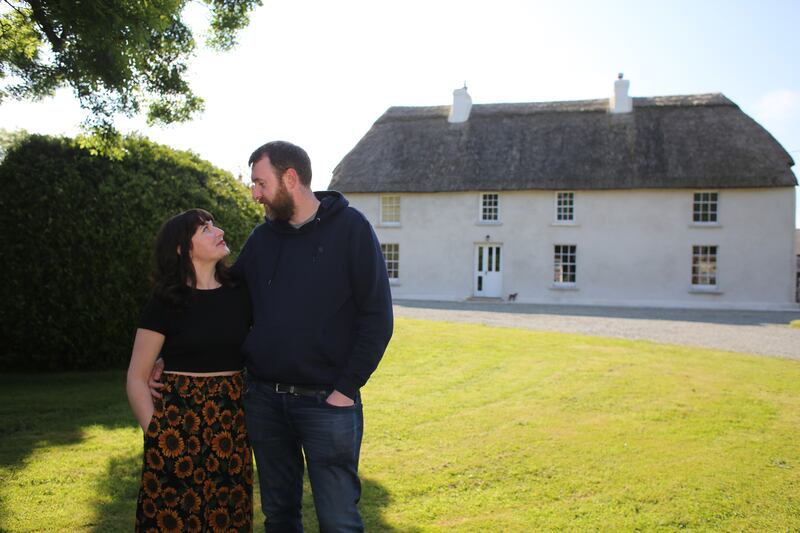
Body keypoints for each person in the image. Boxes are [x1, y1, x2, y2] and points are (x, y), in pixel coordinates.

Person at [238, 141, 393, 532]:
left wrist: (345, 388)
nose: (254, 194)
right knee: (279, 518)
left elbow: (377, 317)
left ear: (290, 178)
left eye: (260, 182)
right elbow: (229, 304)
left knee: (339, 521)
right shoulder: (261, 240)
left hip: (328, 404)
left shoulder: (352, 229)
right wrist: (165, 351)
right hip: (265, 403)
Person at [128, 209, 253, 532]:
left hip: (231, 427)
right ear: (183, 249)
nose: (219, 231)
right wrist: (156, 435)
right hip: (177, 427)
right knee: (174, 519)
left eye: (213, 225)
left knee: (227, 517)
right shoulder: (166, 301)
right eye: (206, 229)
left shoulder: (241, 293)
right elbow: (137, 379)